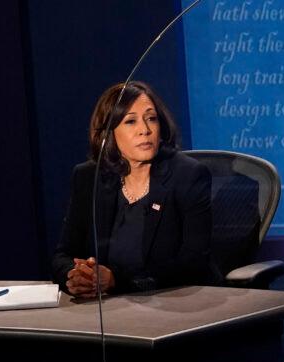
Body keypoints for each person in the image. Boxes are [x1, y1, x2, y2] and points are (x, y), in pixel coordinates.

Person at [52, 81, 217, 296]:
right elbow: (63, 254)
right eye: (131, 121)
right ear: (109, 133)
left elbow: (192, 264)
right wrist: (76, 277)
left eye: (151, 119)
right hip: (108, 310)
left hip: (175, 304)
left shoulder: (188, 175)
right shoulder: (89, 177)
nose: (145, 130)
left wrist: (116, 280)